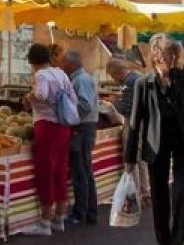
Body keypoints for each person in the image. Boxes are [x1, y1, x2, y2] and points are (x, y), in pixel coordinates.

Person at [123, 34, 184, 245]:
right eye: (165, 56)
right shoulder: (143, 84)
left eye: (172, 56)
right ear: (155, 57)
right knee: (160, 199)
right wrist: (129, 158)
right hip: (156, 145)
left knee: (181, 195)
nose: (169, 61)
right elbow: (134, 123)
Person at [25, 43, 74, 234]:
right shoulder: (60, 73)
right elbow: (71, 96)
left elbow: (41, 94)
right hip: (63, 126)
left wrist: (29, 97)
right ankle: (59, 217)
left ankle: (44, 221)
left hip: (46, 126)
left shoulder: (41, 75)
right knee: (61, 170)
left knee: (46, 172)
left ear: (32, 61)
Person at [107, 57, 150, 204]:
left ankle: (136, 194)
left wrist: (114, 102)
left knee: (131, 159)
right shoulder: (139, 77)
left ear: (117, 72)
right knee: (142, 159)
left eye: (112, 76)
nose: (113, 79)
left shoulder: (128, 83)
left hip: (132, 123)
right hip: (144, 123)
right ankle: (146, 192)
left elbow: (127, 108)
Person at [64, 50, 99, 226]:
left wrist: (67, 114)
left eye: (64, 62)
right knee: (85, 171)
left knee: (81, 172)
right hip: (85, 129)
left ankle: (81, 213)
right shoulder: (80, 79)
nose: (62, 66)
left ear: (72, 64)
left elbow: (84, 105)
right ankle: (90, 212)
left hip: (82, 129)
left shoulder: (81, 80)